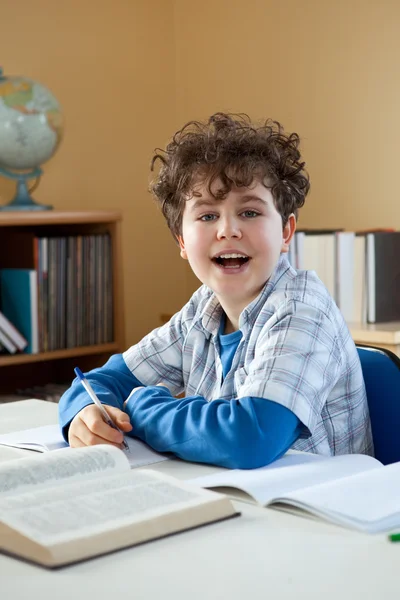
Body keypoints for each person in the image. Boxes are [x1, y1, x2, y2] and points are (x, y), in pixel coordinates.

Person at [59, 113, 373, 468]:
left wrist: (141, 408)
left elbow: (252, 437)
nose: (228, 230)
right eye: (207, 216)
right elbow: (103, 379)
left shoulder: (302, 307)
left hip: (318, 513)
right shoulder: (202, 311)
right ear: (181, 240)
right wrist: (85, 414)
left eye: (250, 212)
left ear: (286, 233)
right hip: (236, 502)